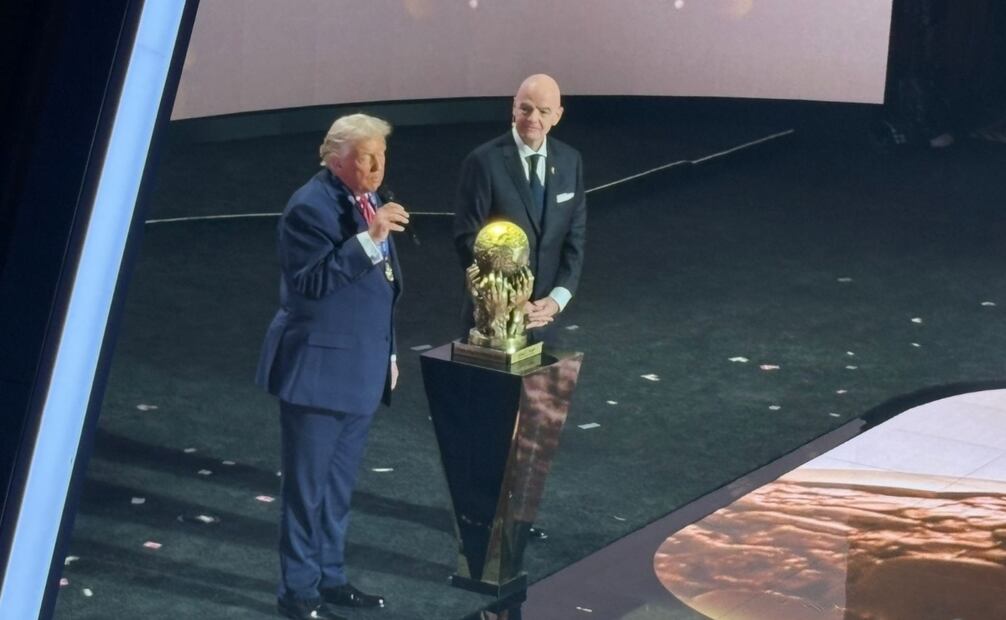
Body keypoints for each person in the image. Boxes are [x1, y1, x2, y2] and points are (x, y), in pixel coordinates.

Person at [256, 113, 408, 620]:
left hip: (362, 369)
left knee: (338, 490)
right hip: (318, 374)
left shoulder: (370, 201)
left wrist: (388, 352)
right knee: (307, 492)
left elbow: (383, 290)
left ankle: (331, 577)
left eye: (382, 156)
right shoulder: (308, 207)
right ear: (335, 159)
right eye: (366, 157)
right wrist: (369, 239)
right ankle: (298, 592)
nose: (378, 167)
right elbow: (312, 283)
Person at [453, 73, 587, 344]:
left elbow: (575, 239)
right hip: (493, 322)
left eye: (543, 111)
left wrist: (557, 299)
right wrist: (512, 300)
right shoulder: (483, 162)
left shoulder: (570, 161)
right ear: (513, 107)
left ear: (557, 116)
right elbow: (468, 240)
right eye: (526, 109)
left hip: (545, 321)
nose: (533, 118)